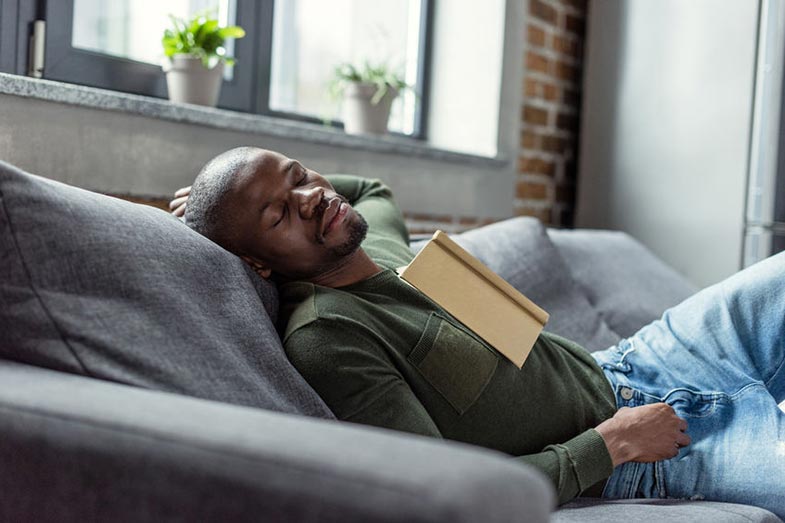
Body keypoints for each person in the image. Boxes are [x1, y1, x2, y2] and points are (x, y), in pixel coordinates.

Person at [170, 146, 785, 517]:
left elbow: (367, 188)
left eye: (300, 175)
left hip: (639, 361)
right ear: (257, 263)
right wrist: (614, 445)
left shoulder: (376, 241)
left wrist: (232, 196)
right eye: (279, 214)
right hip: (642, 456)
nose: (311, 197)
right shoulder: (330, 339)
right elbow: (442, 488)